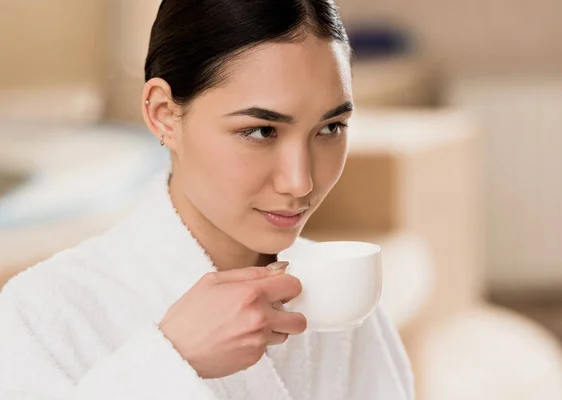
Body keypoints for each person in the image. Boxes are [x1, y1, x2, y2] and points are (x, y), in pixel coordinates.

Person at [0, 1, 414, 399]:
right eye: (261, 131)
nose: (300, 181)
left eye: (331, 128)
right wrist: (170, 359)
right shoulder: (42, 313)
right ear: (163, 113)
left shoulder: (340, 305)